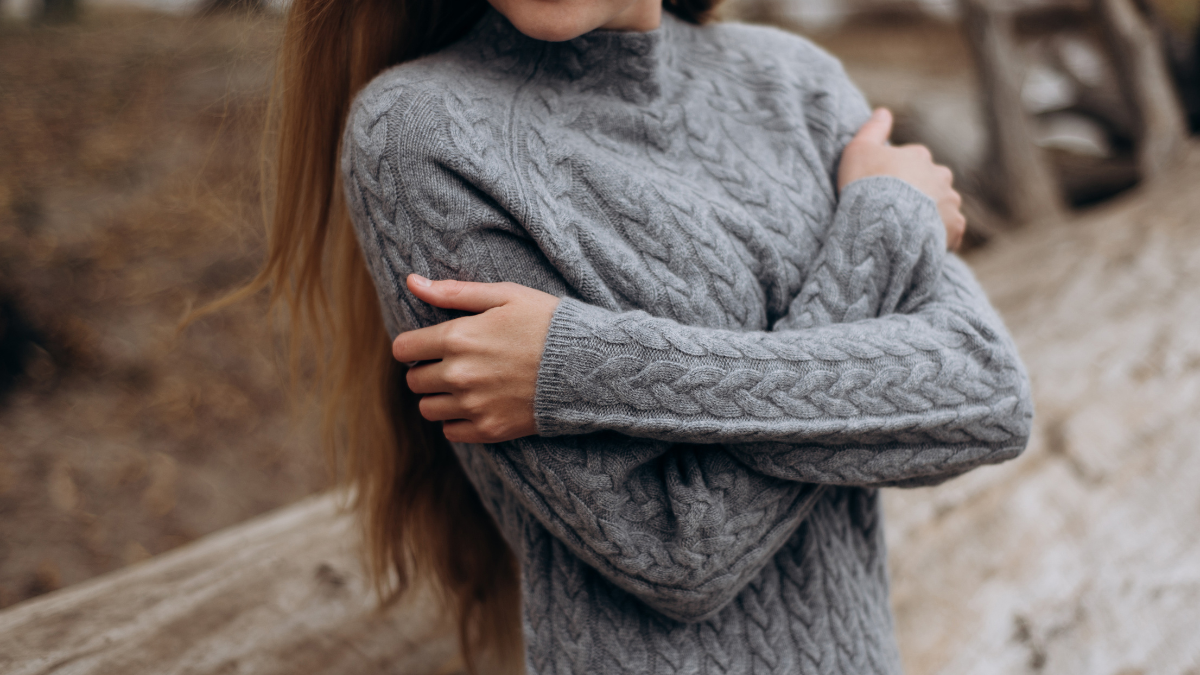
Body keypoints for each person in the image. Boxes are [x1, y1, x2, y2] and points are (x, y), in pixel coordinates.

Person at [251, 0, 1034, 672]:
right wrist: (887, 226)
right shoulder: (422, 131)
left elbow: (987, 394)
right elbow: (679, 550)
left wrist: (578, 366)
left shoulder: (796, 81)